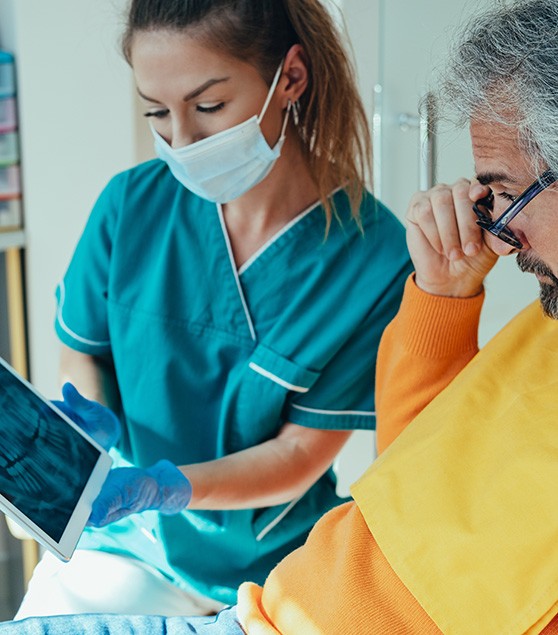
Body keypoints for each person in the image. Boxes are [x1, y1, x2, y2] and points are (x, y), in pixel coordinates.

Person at [3, 0, 558, 632]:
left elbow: (302, 454)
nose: (180, 141)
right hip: (133, 541)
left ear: (289, 78)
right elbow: (84, 345)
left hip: (272, 565)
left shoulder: (373, 254)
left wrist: (169, 485)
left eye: (207, 106)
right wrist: (87, 428)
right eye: (157, 112)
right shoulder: (131, 204)